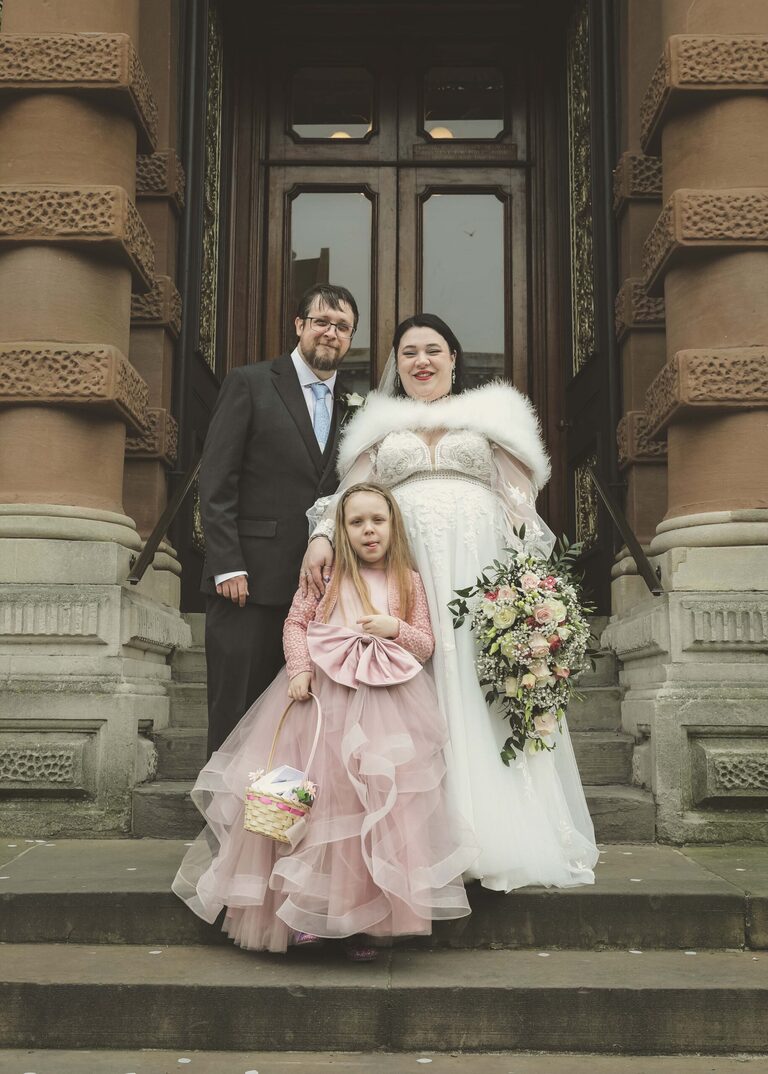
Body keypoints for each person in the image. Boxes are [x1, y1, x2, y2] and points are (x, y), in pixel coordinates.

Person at [303, 314, 599, 893]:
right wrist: (320, 535)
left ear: (454, 358)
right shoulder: (377, 428)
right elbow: (346, 498)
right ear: (397, 364)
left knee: (475, 679)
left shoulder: (491, 417)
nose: (422, 361)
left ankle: (494, 831)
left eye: (433, 350)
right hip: (406, 572)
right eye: (409, 351)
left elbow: (520, 507)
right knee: (420, 682)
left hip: (479, 570)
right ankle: (419, 835)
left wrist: (530, 585)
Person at [173, 482, 478, 957]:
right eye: (356, 523)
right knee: (319, 804)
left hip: (386, 704)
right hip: (323, 700)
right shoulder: (327, 577)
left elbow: (426, 643)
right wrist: (298, 670)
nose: (369, 530)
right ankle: (306, 914)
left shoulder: (408, 580)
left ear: (393, 524)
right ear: (341, 530)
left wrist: (393, 628)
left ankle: (362, 923)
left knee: (372, 813)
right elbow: (296, 622)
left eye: (378, 520)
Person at [199, 283, 358, 756]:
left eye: (343, 326)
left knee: (299, 716)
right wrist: (228, 563)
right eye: (321, 322)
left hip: (320, 591)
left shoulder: (354, 404)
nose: (331, 333)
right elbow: (217, 477)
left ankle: (278, 821)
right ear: (299, 326)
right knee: (237, 710)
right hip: (247, 583)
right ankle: (222, 821)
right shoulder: (250, 382)